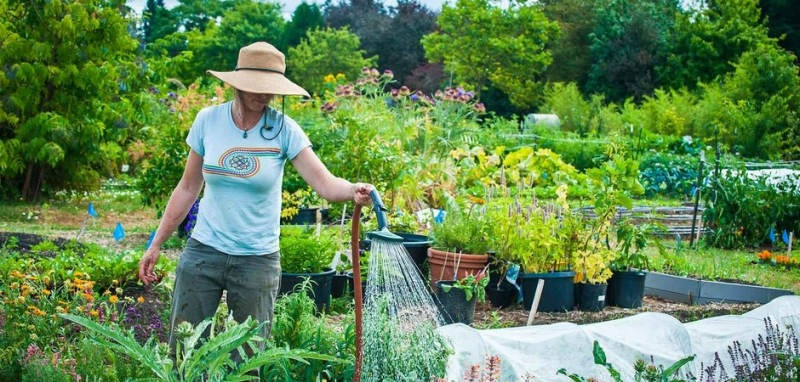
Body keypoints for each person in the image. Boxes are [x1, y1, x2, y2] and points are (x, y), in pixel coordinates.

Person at [137, 42, 375, 355]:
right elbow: (187, 187)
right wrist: (155, 244)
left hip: (256, 260)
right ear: (237, 83)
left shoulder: (284, 130)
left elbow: (325, 184)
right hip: (203, 251)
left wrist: (353, 190)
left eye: (270, 89)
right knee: (185, 352)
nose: (263, 96)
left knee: (247, 359)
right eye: (255, 87)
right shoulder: (208, 121)